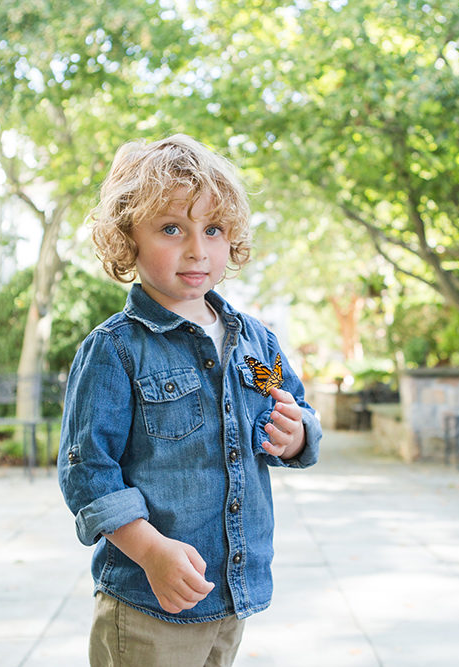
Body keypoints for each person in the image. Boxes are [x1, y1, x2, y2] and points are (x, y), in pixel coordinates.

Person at [57, 133, 322, 667]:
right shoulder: (116, 349)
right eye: (172, 228)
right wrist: (151, 551)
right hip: (150, 599)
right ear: (128, 239)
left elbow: (292, 407)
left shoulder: (255, 343)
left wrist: (296, 436)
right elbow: (88, 471)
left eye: (214, 229)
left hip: (231, 591)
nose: (198, 249)